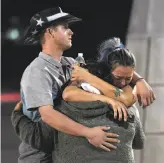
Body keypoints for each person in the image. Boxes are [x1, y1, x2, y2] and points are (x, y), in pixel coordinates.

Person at [12, 38, 146, 163]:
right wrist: (136, 82)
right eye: (119, 77)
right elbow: (139, 142)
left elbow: (38, 136)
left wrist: (17, 115)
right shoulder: (129, 108)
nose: (122, 83)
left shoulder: (65, 108)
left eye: (128, 79)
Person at [17, 6, 122, 163]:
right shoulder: (37, 71)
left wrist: (138, 80)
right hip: (41, 157)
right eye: (65, 27)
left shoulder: (71, 63)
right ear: (50, 32)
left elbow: (106, 73)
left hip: (63, 151)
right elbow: (48, 115)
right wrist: (89, 133)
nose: (71, 32)